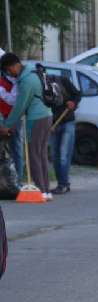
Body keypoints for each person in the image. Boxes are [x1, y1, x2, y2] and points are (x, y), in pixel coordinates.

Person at [0, 53, 53, 199]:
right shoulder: (33, 73)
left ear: (13, 65)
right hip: (46, 116)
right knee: (41, 154)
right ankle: (46, 190)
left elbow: (20, 106)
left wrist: (7, 125)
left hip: (36, 119)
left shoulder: (26, 81)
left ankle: (40, 190)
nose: (9, 74)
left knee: (34, 155)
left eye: (8, 70)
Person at [48, 74, 81, 194]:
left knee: (63, 155)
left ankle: (63, 184)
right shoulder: (42, 89)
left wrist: (73, 102)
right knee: (55, 155)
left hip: (67, 121)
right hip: (53, 124)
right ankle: (61, 183)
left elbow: (77, 94)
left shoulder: (62, 80)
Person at [0, 66, 23, 187]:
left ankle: (17, 181)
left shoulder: (12, 78)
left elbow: (14, 99)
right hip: (4, 116)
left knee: (16, 149)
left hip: (12, 116)